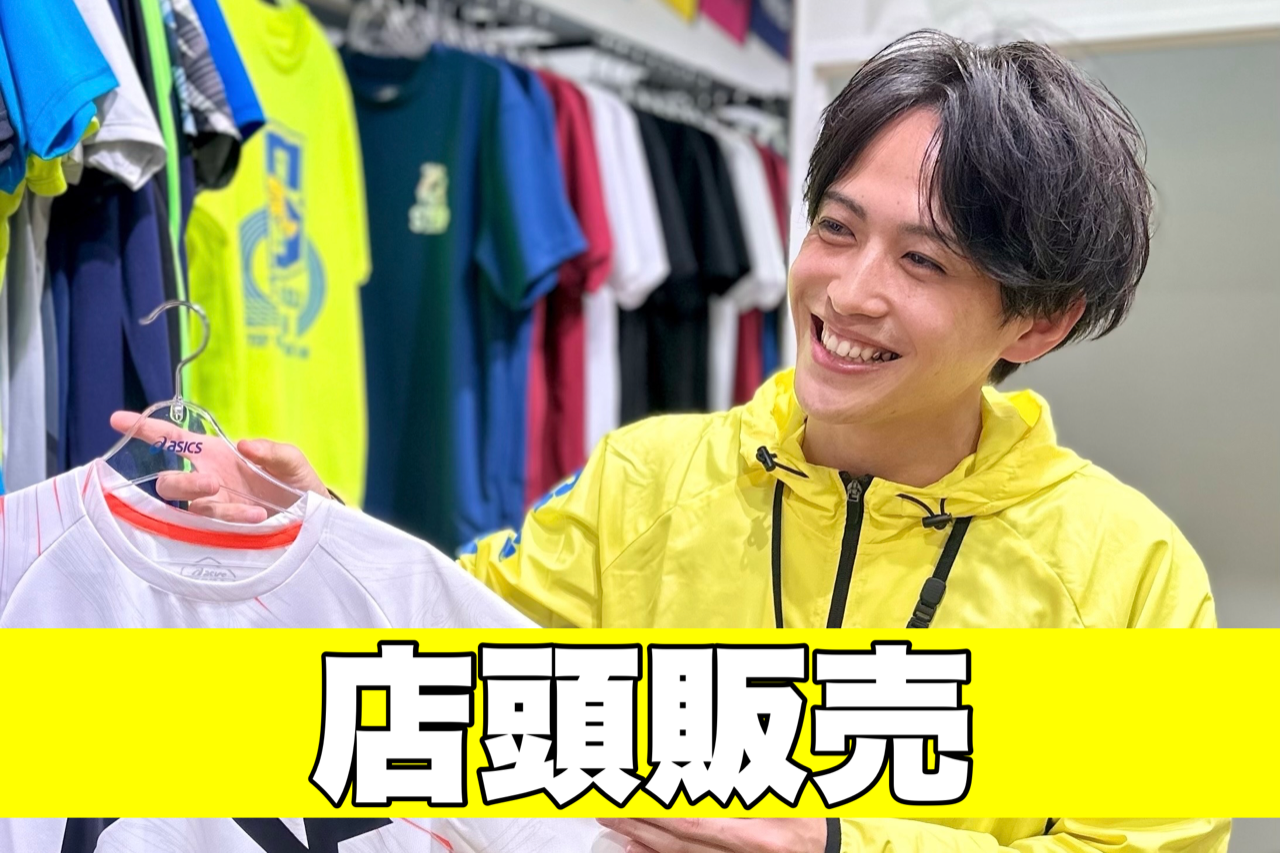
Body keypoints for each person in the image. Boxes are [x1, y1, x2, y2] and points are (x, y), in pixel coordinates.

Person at [112, 30, 1227, 853]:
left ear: (1039, 319)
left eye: (921, 261)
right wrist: (324, 540)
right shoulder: (646, 482)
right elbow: (460, 666)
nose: (847, 291)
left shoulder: (1129, 574)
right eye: (834, 229)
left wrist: (839, 844)